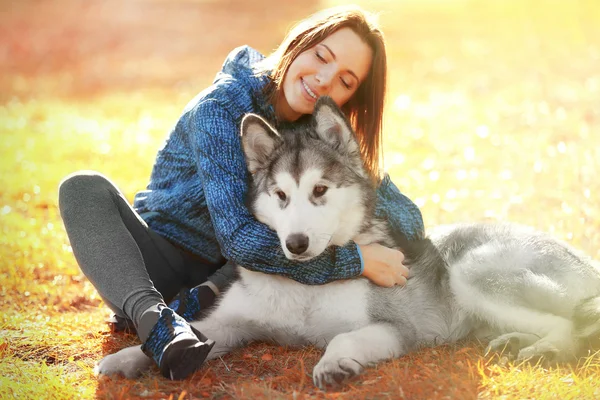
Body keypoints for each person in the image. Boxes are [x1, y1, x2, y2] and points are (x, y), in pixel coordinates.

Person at [58, 5, 424, 381]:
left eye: (346, 81)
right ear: (298, 44)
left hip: (240, 281)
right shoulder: (221, 108)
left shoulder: (322, 141)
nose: (325, 79)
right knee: (81, 187)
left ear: (352, 98)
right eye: (321, 56)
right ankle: (156, 320)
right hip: (159, 262)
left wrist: (358, 178)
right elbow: (237, 238)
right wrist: (356, 260)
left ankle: (199, 300)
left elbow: (412, 223)